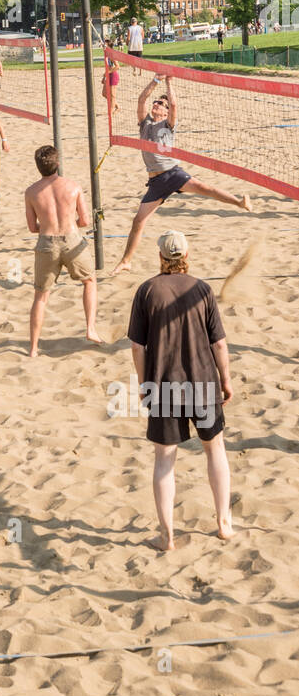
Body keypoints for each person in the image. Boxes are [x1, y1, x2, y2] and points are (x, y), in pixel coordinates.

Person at [128, 231, 233, 550]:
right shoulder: (202, 289)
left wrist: (145, 382)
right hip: (203, 381)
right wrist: (225, 379)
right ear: (187, 256)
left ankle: (167, 536)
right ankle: (224, 524)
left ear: (161, 257)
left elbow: (137, 345)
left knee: (164, 460)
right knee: (215, 450)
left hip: (164, 385)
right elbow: (219, 343)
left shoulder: (147, 290)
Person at [111, 75, 251, 274]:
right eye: (156, 102)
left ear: (166, 110)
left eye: (161, 103)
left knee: (205, 189)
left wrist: (169, 82)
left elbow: (174, 105)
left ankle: (239, 202)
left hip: (172, 174)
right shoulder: (145, 124)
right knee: (138, 222)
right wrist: (155, 81)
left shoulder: (168, 125)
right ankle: (126, 260)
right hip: (156, 181)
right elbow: (142, 99)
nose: (157, 104)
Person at [24, 144, 101, 359]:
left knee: (40, 296)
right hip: (72, 239)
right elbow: (85, 220)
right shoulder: (73, 186)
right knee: (89, 281)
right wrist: (68, 224)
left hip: (47, 243)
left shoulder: (31, 192)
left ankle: (33, 348)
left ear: (38, 167)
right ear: (57, 164)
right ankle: (90, 328)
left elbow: (32, 227)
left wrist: (49, 226)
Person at [101, 39, 119, 116]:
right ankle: (117, 106)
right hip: (108, 75)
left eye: (105, 45)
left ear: (109, 46)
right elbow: (108, 67)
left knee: (112, 95)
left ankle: (111, 111)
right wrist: (104, 76)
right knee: (104, 93)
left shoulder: (111, 54)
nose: (103, 46)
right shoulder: (106, 53)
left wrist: (108, 73)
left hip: (113, 75)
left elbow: (117, 66)